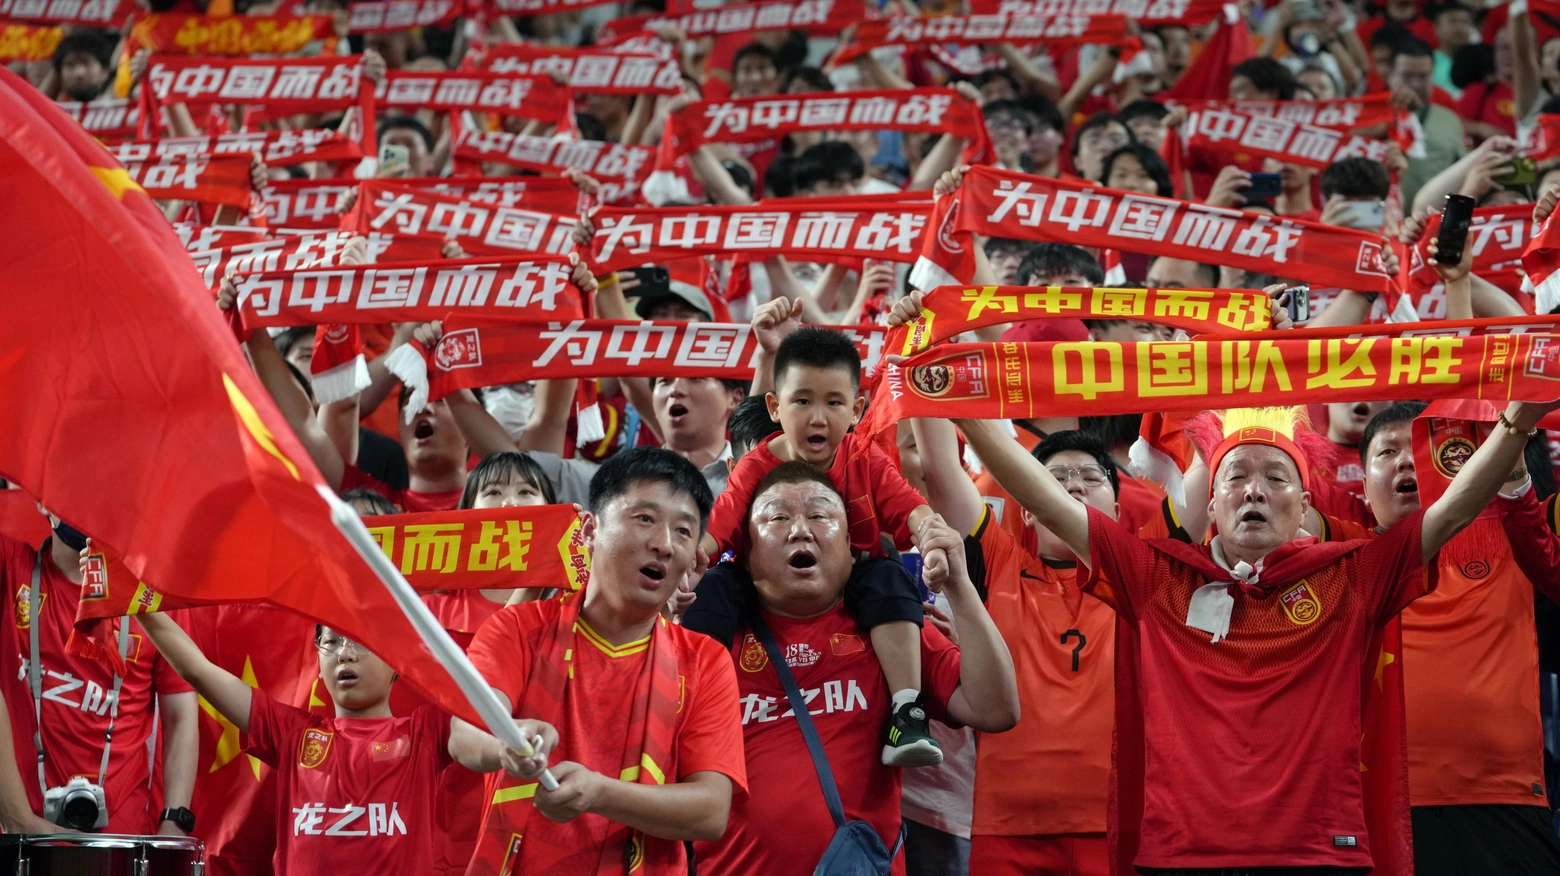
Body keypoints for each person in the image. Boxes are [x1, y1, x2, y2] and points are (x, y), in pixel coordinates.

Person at [951, 391, 1558, 873]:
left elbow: (1450, 510)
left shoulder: (1353, 575)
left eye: (1277, 477)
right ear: (1209, 505)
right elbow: (1052, 504)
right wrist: (960, 409)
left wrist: (1517, 422)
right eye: (1237, 476)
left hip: (1318, 851)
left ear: (1305, 507)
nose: (1256, 490)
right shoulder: (1157, 576)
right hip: (1181, 853)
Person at [689, 462, 1019, 875]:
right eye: (777, 517)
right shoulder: (708, 639)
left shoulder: (890, 632)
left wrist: (959, 585)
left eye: (819, 515)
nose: (800, 530)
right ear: (747, 552)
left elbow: (996, 709)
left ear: (850, 546)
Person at [448, 447, 747, 875]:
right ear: (589, 529)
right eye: (644, 519)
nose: (663, 543)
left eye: (684, 531)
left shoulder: (705, 660)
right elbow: (464, 737)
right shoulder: (515, 629)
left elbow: (711, 810)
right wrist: (506, 746)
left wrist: (600, 793)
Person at [690, 326, 944, 767]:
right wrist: (691, 561)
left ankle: (907, 710)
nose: (818, 418)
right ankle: (686, 699)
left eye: (834, 402)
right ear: (774, 406)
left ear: (857, 409)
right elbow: (724, 523)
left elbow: (908, 506)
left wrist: (933, 535)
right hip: (761, 583)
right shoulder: (754, 465)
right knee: (710, 588)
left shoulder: (865, 455)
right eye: (802, 401)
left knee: (890, 577)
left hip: (853, 577)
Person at [1353, 403, 1560, 876]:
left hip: (1504, 802)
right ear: (1362, 488)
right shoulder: (1344, 556)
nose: (1406, 460)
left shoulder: (1520, 532)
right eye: (1387, 451)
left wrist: (1511, 441)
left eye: (1417, 448)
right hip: (1377, 805)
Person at [915, 419, 1121, 876]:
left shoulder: (1143, 575)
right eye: (1055, 478)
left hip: (1120, 826)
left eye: (1092, 478)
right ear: (1027, 508)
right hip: (1005, 828)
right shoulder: (999, 561)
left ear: (1120, 510)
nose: (1074, 487)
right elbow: (939, 468)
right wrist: (921, 368)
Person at [133, 609, 451, 876]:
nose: (346, 654)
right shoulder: (291, 733)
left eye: (362, 642)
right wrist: (137, 601)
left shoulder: (425, 732)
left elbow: (483, 736)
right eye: (332, 642)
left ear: (396, 659)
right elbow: (197, 670)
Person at [0, 516, 196, 834]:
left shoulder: (152, 595)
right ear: (41, 500)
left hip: (121, 840)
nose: (84, 510)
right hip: (23, 839)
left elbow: (181, 715)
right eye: (71, 493)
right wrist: (16, 818)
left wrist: (175, 821)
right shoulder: (10, 568)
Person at [1395, 38, 1468, 204]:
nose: (1415, 84)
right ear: (1391, 74)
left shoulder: (1449, 120)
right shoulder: (1368, 119)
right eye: (1407, 76)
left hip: (1430, 221)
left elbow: (1461, 174)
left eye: (1423, 76)